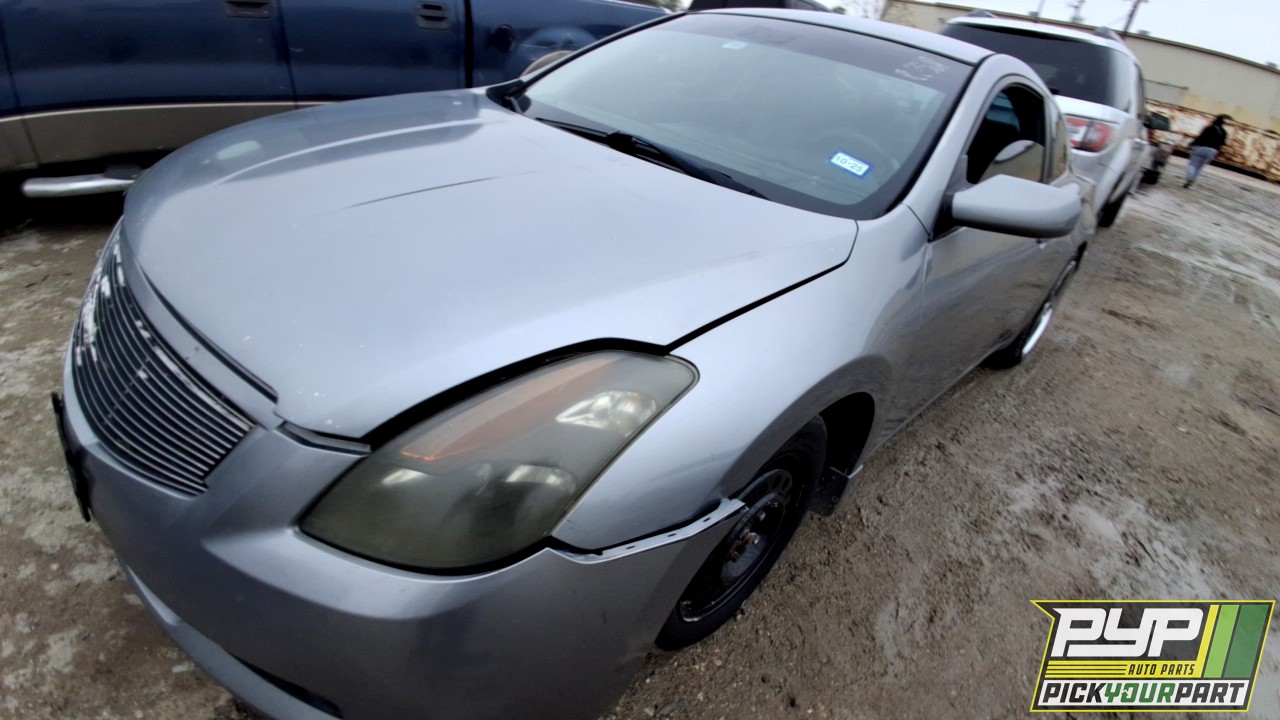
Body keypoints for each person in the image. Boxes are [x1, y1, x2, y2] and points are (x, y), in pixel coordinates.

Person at [1183, 114, 1230, 188]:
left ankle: (1189, 177)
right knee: (1200, 167)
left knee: (1193, 164)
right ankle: (1193, 179)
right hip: (1213, 151)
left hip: (1201, 148)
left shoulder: (1209, 128)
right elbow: (1222, 144)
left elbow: (1200, 138)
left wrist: (1191, 144)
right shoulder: (1224, 132)